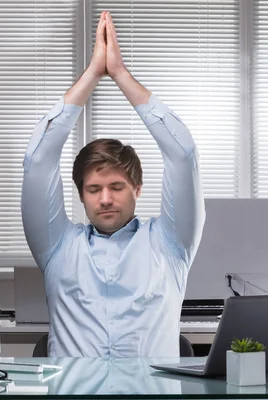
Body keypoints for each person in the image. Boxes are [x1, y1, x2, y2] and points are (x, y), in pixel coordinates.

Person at [21, 11, 205, 357]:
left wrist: (119, 74)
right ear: (81, 195)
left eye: (117, 187)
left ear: (137, 188)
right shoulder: (57, 246)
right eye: (94, 189)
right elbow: (38, 162)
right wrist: (92, 74)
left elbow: (183, 156)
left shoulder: (171, 243)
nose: (105, 198)